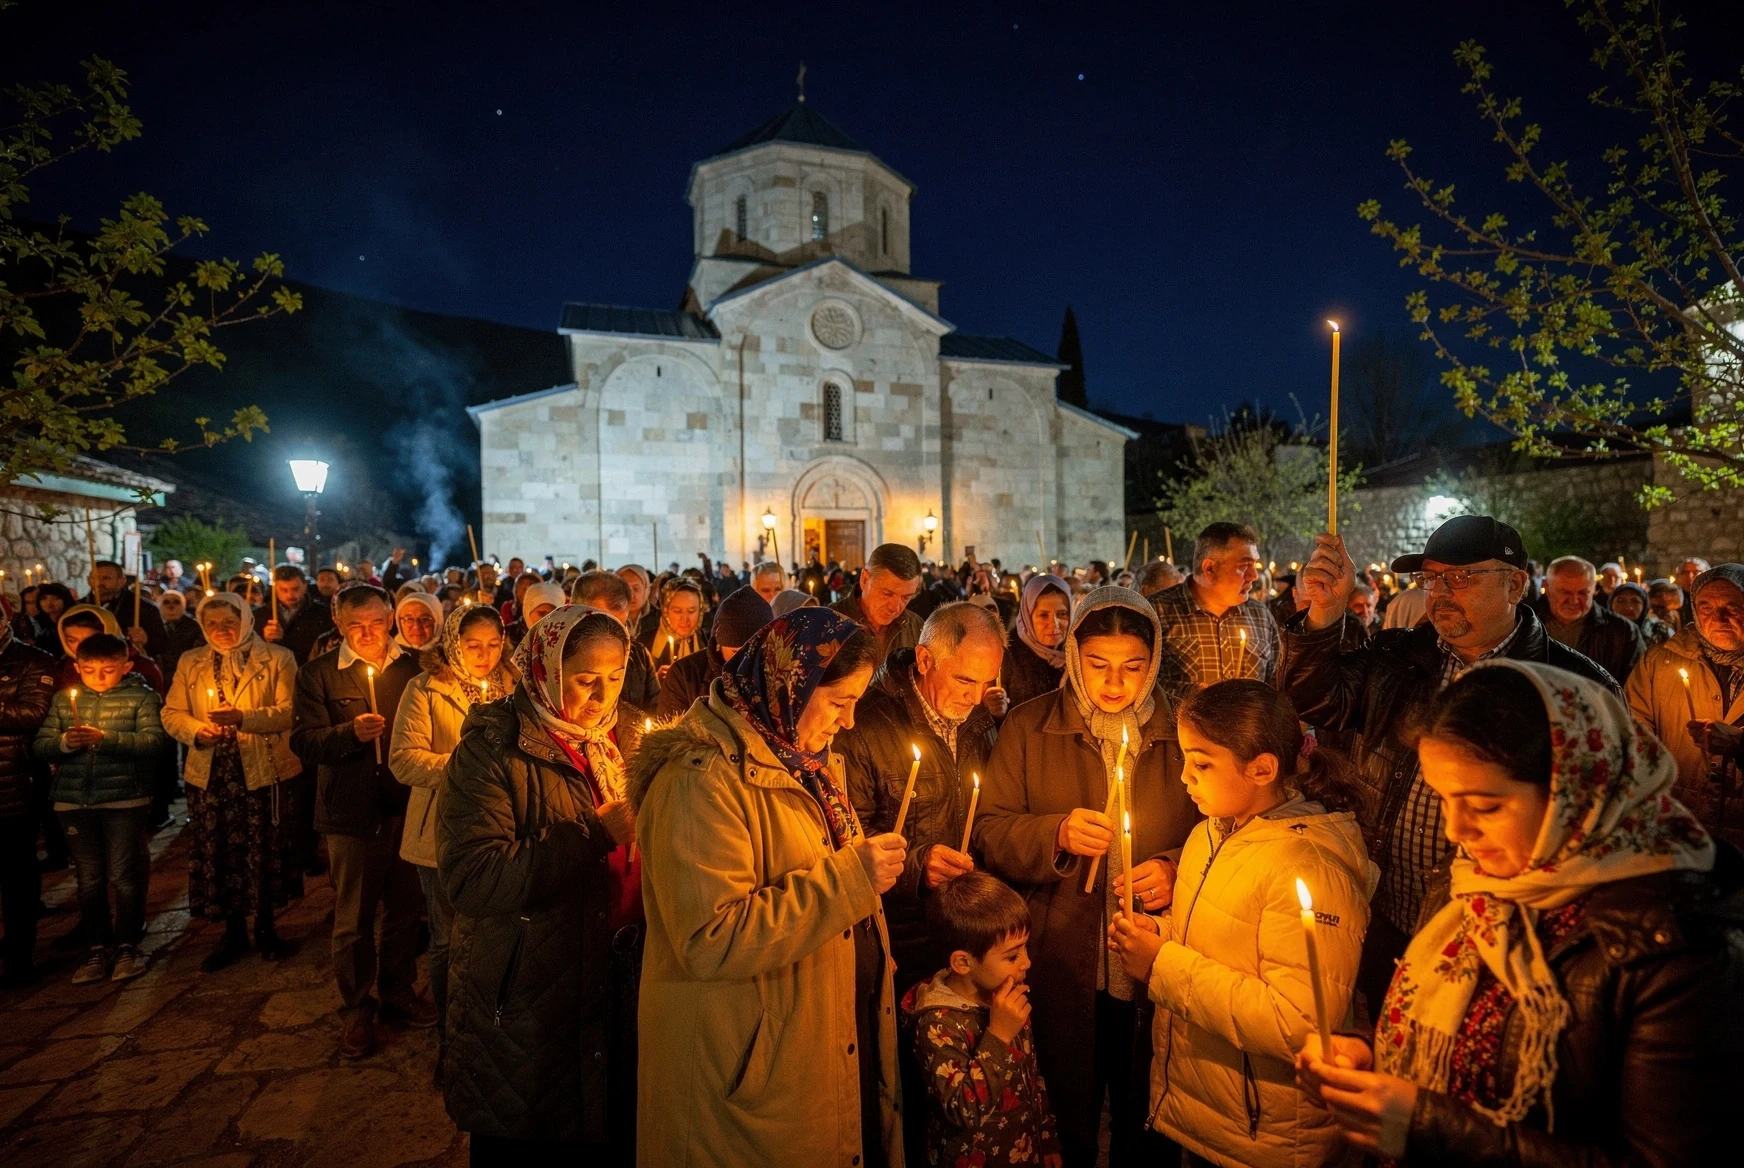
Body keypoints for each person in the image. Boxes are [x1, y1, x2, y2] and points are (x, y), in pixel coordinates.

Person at [1297, 661, 1741, 1165]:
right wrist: (1367, 1052)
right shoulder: (1471, 879)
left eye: (1485, 807)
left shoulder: (1679, 948)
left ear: (1575, 792)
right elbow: (1460, 1024)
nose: (1456, 831)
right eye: (1444, 799)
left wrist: (1427, 1126)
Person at [1286, 515, 1619, 1016]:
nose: (1438, 592)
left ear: (1514, 585)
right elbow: (1317, 699)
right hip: (1388, 912)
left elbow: (1601, 820)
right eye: (1431, 579)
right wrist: (1325, 616)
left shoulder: (1571, 686)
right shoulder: (1401, 657)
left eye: (1459, 578)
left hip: (1501, 933)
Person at [631, 608, 904, 1166]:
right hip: (745, 1067)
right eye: (839, 703)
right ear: (791, 685)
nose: (849, 723)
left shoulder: (803, 760)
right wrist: (852, 879)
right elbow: (711, 935)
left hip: (807, 1045)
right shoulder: (700, 778)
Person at [1106, 679, 1376, 1167]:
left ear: (1262, 769)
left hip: (1266, 1133)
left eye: (1202, 763)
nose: (1185, 776)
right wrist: (1159, 935)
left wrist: (1162, 965)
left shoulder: (1309, 865)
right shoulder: (1211, 832)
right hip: (1212, 1111)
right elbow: (1217, 943)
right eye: (1185, 758)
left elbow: (1300, 1021)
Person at [975, 588, 1198, 1167]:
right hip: (1061, 956)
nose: (1115, 684)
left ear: (1154, 665)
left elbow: (1217, 826)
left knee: (1146, 1117)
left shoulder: (1181, 730)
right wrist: (1055, 835)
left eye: (1133, 667)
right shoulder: (1030, 727)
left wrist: (1175, 865)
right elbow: (990, 830)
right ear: (1074, 657)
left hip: (1154, 958)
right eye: (1098, 666)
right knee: (1065, 1114)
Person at [442, 604, 647, 1160]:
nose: (601, 697)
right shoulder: (491, 752)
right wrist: (595, 833)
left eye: (614, 678)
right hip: (529, 988)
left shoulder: (619, 739)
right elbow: (474, 879)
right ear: (547, 670)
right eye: (585, 680)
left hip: (613, 974)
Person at [291, 584, 433, 1059]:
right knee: (353, 917)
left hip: (406, 805)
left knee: (405, 909)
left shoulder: (414, 669)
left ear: (391, 616)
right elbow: (305, 742)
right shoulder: (319, 675)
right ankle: (356, 1005)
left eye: (377, 622)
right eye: (357, 625)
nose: (369, 633)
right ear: (339, 624)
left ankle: (398, 990)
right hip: (350, 812)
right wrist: (348, 733)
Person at [843, 602, 1006, 990]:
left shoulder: (981, 723)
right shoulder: (864, 725)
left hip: (965, 935)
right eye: (965, 681)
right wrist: (918, 865)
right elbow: (845, 834)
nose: (975, 697)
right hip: (900, 937)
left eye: (987, 683)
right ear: (924, 659)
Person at [390, 602, 513, 1089]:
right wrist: (466, 767)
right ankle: (450, 1040)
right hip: (439, 834)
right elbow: (403, 759)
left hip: (500, 829)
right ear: (451, 644)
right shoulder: (423, 689)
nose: (484, 656)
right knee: (447, 940)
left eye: (493, 645)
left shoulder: (512, 689)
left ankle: (492, 1034)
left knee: (497, 939)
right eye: (472, 645)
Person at [161, 593, 303, 970]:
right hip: (212, 774)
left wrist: (244, 718)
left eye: (229, 622)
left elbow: (290, 711)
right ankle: (233, 931)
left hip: (262, 767)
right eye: (212, 624)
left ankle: (267, 928)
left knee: (264, 847)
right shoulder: (191, 662)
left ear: (245, 619)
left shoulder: (277, 658)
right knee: (220, 850)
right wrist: (197, 731)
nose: (221, 630)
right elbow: (172, 713)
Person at [33, 632, 166, 984]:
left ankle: (127, 943)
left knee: (123, 873)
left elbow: (154, 742)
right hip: (74, 800)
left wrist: (106, 739)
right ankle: (96, 945)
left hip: (124, 798)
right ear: (77, 668)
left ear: (126, 666)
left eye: (108, 669)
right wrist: (63, 742)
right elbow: (42, 744)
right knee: (89, 877)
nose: (100, 677)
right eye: (90, 670)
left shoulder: (142, 698)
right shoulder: (64, 701)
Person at [905, 871, 1062, 1168]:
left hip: (1024, 1150)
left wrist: (1046, 1137)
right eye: (1012, 956)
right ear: (963, 962)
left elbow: (1030, 1074)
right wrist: (999, 1036)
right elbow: (963, 1110)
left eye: (1025, 948)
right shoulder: (937, 1024)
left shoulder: (1004, 999)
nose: (1026, 962)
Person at [1625, 562, 1744, 850]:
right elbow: (1630, 734)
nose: (1719, 617)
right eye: (1705, 607)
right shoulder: (1660, 661)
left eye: (1733, 607)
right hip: (1678, 825)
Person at [1149, 522, 1280, 705]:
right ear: (1210, 569)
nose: (1254, 576)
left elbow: (1276, 685)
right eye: (1244, 566)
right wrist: (1191, 695)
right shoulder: (1156, 613)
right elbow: (1142, 689)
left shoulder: (1260, 616)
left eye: (1255, 565)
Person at [0, 617, 53, 986]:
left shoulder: (35, 661)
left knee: (17, 875)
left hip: (13, 783)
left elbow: (35, 714)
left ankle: (20, 958)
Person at [654, 585, 771, 721]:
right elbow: (670, 736)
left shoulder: (780, 675)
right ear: (719, 645)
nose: (745, 660)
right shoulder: (685, 676)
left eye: (754, 652)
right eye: (736, 652)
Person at [1533, 555, 1644, 681]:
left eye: (1582, 593)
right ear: (1546, 587)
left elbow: (1635, 687)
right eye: (1565, 592)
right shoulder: (1523, 622)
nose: (1574, 600)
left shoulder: (1624, 632)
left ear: (1594, 589)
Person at [572, 569, 660, 710]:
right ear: (574, 611)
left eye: (620, 627)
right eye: (602, 624)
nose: (612, 639)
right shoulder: (558, 656)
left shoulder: (638, 655)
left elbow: (655, 706)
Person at [834, 542, 926, 665]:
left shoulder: (916, 627)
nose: (895, 607)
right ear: (865, 579)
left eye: (906, 597)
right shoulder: (829, 624)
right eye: (887, 593)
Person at [51, 605, 165, 693]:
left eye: (90, 639)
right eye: (72, 640)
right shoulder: (65, 667)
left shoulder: (143, 667)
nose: (81, 646)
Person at [1003, 574, 1071, 710]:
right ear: (1028, 615)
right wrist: (998, 712)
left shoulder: (1079, 652)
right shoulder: (1008, 655)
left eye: (1062, 614)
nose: (1054, 624)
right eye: (1043, 615)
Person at [84, 559, 168, 661]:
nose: (99, 583)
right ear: (88, 580)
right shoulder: (79, 607)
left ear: (121, 581)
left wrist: (146, 639)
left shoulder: (144, 608)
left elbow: (163, 645)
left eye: (106, 578)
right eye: (95, 578)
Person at [257, 564, 336, 667]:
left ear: (305, 586)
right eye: (284, 590)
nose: (290, 595)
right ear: (275, 588)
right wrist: (265, 640)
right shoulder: (260, 615)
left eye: (295, 589)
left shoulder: (324, 614)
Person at [642, 576, 705, 674]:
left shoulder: (708, 642)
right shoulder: (644, 643)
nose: (685, 618)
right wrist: (655, 682)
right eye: (677, 611)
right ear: (665, 609)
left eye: (691, 611)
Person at [154, 588, 207, 681]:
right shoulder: (153, 626)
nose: (171, 606)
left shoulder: (195, 628)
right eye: (166, 602)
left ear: (184, 605)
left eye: (176, 602)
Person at [1606, 579, 1672, 647]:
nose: (1628, 607)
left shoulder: (1658, 631)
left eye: (1635, 601)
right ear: (1611, 605)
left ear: (1644, 606)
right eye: (1621, 601)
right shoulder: (1601, 632)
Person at [1675, 556, 1710, 628]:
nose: (1690, 576)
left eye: (1696, 572)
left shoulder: (1712, 598)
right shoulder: (1675, 600)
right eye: (1685, 572)